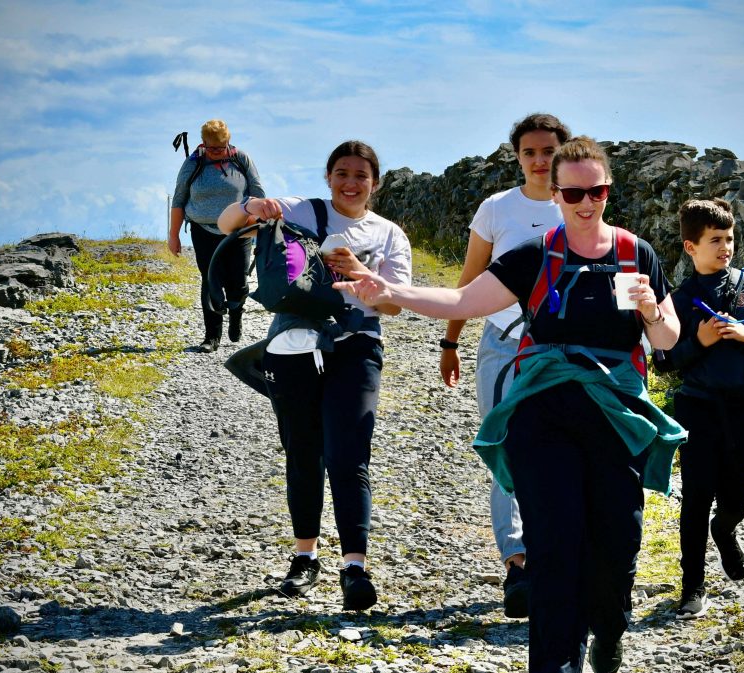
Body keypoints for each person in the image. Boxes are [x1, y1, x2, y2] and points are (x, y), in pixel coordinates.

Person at [334, 136, 686, 673]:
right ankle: (554, 671)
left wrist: (649, 310)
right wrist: (391, 291)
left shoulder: (637, 254)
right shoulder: (533, 256)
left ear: (609, 189)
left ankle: (609, 627)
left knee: (616, 547)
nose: (586, 202)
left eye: (597, 191)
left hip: (615, 415)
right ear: (557, 192)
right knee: (554, 544)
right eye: (573, 193)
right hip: (543, 413)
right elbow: (462, 302)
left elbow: (667, 339)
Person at [217, 140, 411, 611]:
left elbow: (394, 303)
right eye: (342, 173)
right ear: (328, 177)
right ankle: (305, 557)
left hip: (357, 346)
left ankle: (354, 568)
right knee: (302, 452)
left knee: (349, 456)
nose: (351, 182)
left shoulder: (389, 234)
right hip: (293, 345)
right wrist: (250, 205)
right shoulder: (303, 211)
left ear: (375, 183)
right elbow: (226, 224)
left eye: (361, 175)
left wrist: (363, 272)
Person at [438, 113, 570, 618]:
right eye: (529, 152)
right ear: (517, 156)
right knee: (505, 449)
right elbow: (470, 279)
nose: (539, 161)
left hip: (562, 353)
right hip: (502, 343)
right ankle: (517, 563)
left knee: (558, 450)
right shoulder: (497, 209)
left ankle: (556, 558)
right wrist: (451, 342)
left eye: (548, 151)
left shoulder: (578, 206)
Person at [654, 198, 744, 620]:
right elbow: (664, 361)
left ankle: (725, 530)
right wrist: (701, 343)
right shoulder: (680, 299)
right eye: (715, 240)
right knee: (694, 499)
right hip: (697, 408)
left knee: (739, 498)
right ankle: (692, 587)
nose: (725, 247)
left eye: (729, 239)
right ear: (691, 247)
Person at [169, 119, 265, 352]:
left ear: (228, 142)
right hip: (203, 230)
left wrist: (260, 226)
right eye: (212, 148)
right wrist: (174, 235)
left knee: (238, 280)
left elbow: (258, 192)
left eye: (221, 147)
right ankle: (211, 336)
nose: (216, 152)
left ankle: (235, 313)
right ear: (203, 143)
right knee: (210, 280)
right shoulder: (193, 163)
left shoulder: (240, 159)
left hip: (238, 231)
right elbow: (179, 199)